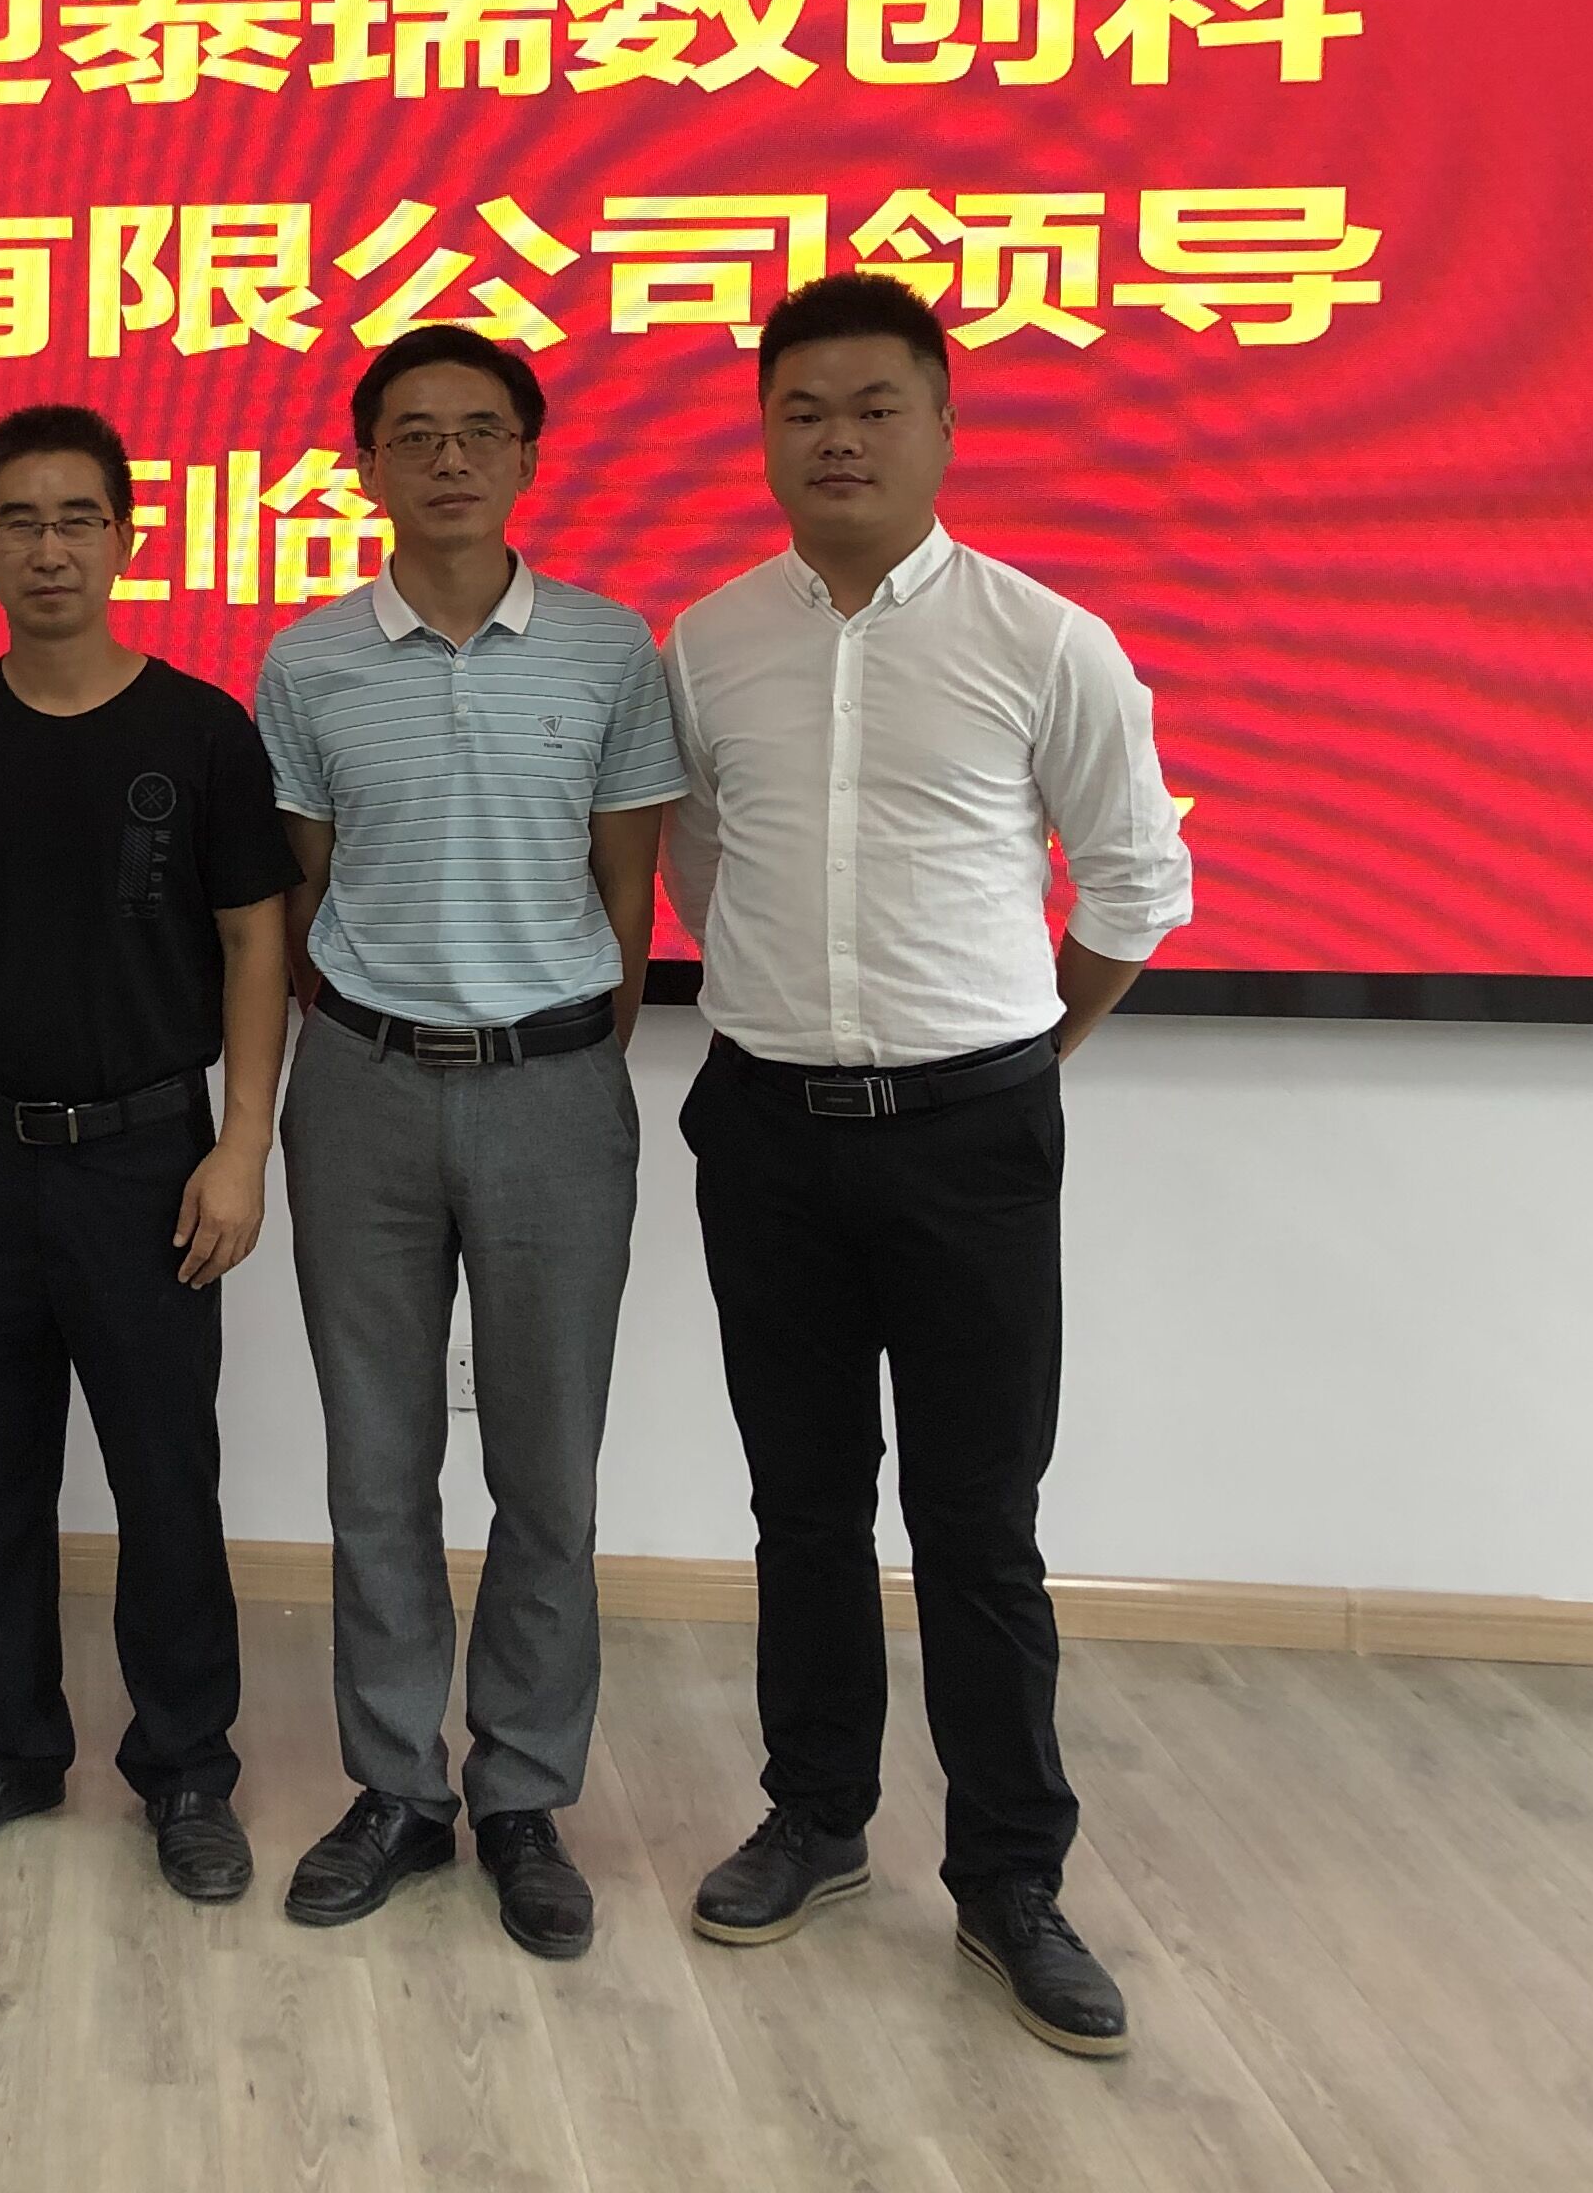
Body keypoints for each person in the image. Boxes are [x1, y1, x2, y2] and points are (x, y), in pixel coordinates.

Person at [663, 271, 1192, 2059]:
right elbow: (703, 866)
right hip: (767, 1128)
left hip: (971, 1133)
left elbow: (1135, 880)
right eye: (802, 408)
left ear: (945, 426)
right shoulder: (706, 641)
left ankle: (1010, 1878)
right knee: (801, 1502)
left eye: (875, 404)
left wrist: (1026, 1052)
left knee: (977, 1519)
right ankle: (814, 1817)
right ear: (762, 433)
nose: (837, 437)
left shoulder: (1046, 638)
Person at [254, 330, 684, 1957]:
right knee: (374, 1465)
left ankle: (521, 1793)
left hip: (552, 1089)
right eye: (415, 434)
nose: (447, 459)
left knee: (544, 1467)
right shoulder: (307, 662)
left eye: (479, 432)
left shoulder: (607, 649)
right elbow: (298, 896)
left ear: (525, 458)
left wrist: (548, 1047)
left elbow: (627, 893)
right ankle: (394, 1789)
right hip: (358, 1085)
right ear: (364, 462)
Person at [0, 405, 298, 1903]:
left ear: (125, 537)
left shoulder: (201, 731)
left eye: (77, 519)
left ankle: (188, 1769)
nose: (49, 548)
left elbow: (256, 943)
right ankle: (8, 1750)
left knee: (169, 1479)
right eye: (20, 522)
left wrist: (242, 1145)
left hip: (146, 1158)